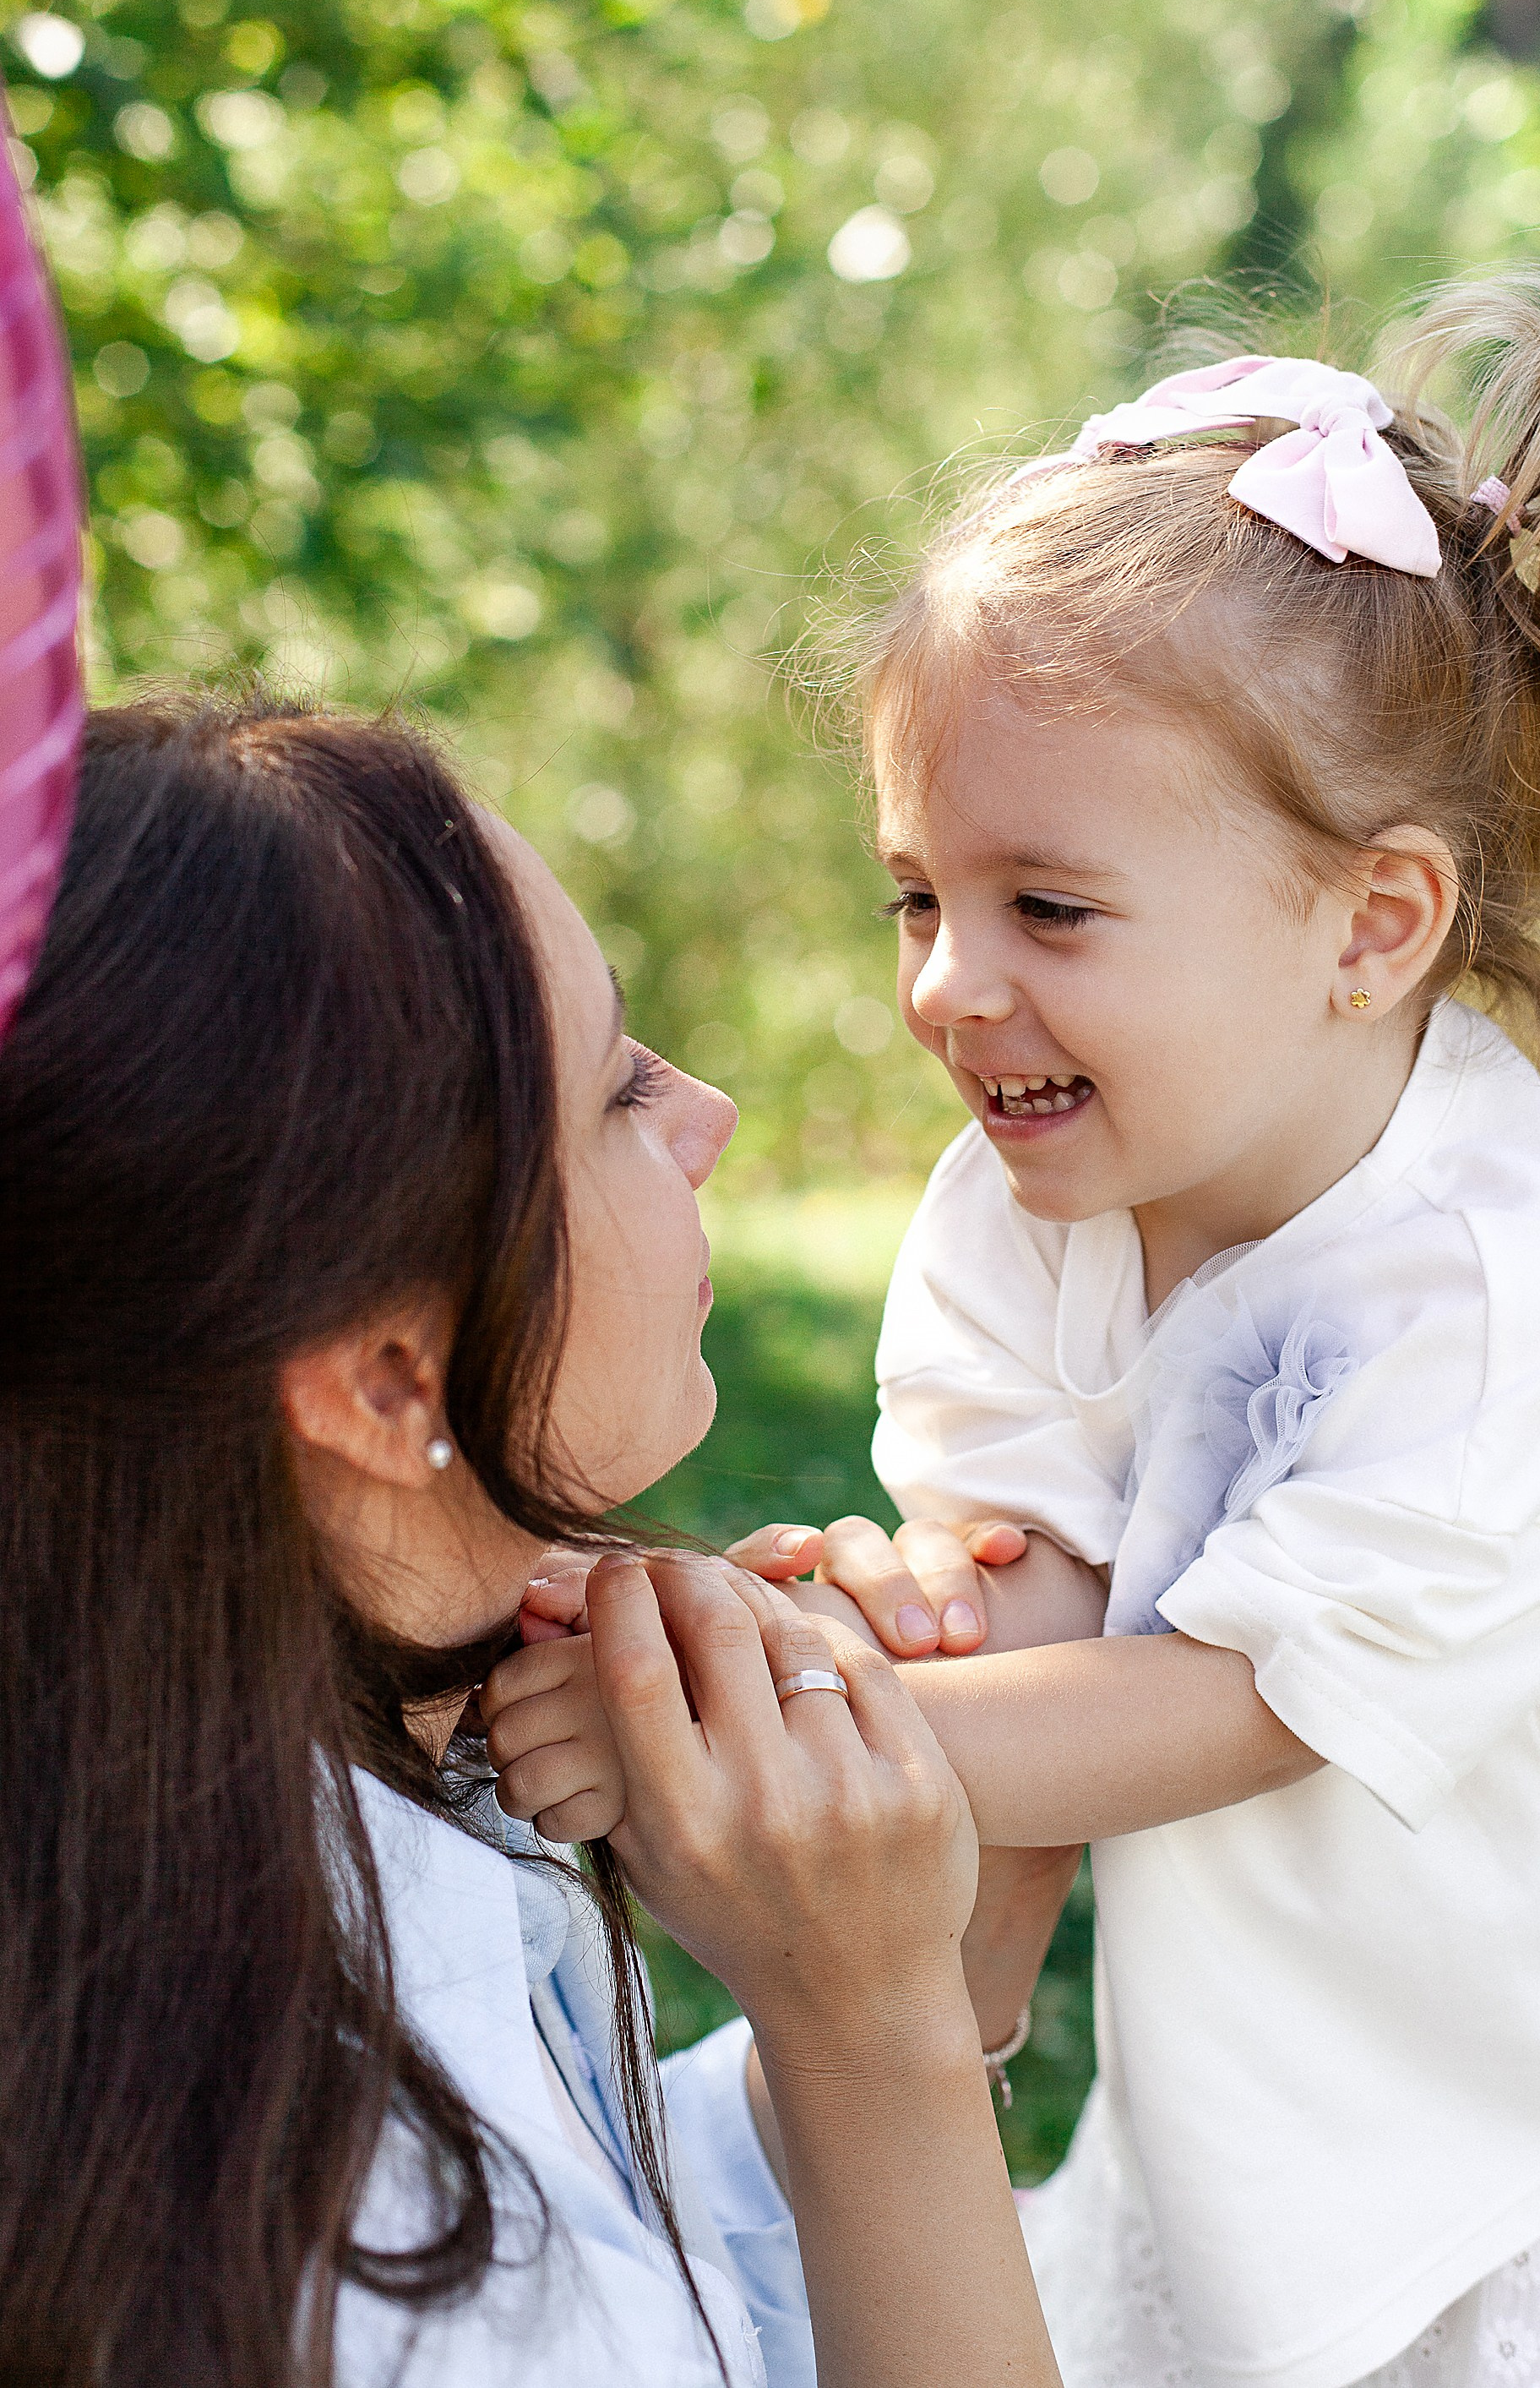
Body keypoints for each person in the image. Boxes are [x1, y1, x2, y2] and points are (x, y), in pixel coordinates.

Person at [499, 278, 1540, 2388]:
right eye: (920, 895)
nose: (943, 987)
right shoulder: (1035, 1198)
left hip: (1537, 2172)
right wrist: (908, 1701)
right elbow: (1047, 1590)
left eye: (1049, 908)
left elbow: (1229, 1706)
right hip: (1242, 2135)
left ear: (1371, 925)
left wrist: (773, 1716)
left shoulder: (1495, 1293)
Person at [0, 690, 1066, 2388]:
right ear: (381, 1371)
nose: (704, 1111)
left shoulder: (220, 1848)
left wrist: (929, 1943)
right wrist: (879, 2054)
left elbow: (652, 2244)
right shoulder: (358, 2236)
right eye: (616, 1088)